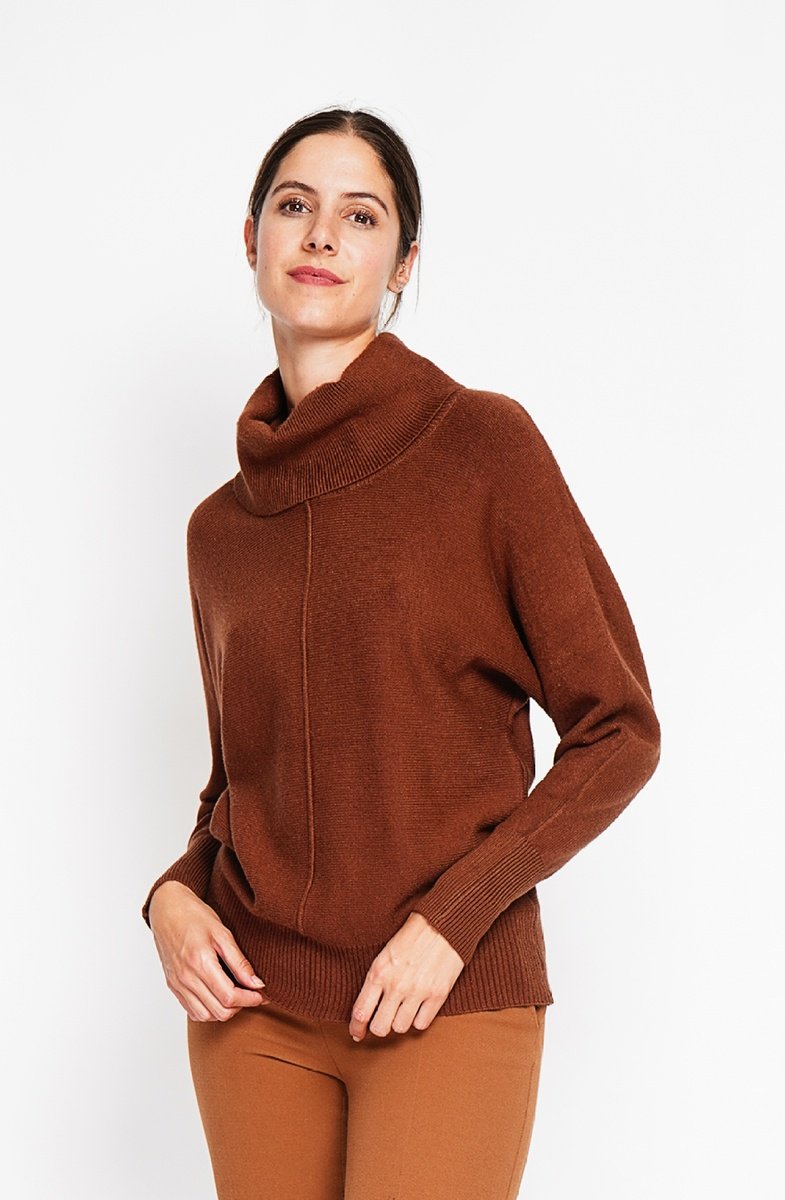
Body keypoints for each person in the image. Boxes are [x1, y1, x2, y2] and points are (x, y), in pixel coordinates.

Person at [141, 105, 661, 1200]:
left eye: (360, 216)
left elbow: (618, 731)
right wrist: (173, 897)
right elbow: (240, 786)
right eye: (294, 205)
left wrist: (451, 921)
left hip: (443, 995)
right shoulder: (218, 532)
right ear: (252, 239)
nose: (321, 235)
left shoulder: (482, 446)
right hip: (251, 1010)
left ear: (403, 263)